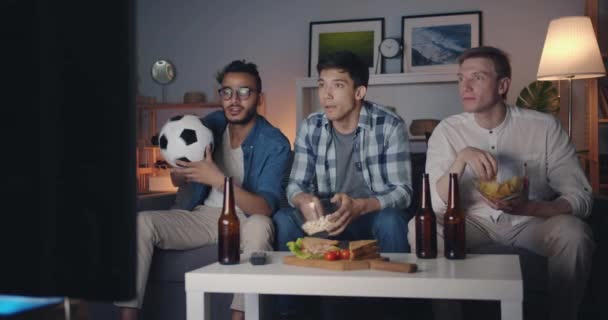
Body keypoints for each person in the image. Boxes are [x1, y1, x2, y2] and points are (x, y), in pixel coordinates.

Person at [408, 46, 594, 320]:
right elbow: (437, 204)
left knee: (575, 234)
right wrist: (461, 159)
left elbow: (581, 197)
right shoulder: (447, 131)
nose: (465, 86)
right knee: (417, 228)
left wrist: (531, 208)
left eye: (478, 77)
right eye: (461, 78)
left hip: (531, 222)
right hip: (471, 222)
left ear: (503, 85)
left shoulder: (544, 127)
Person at [115, 60, 291, 320]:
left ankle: (238, 317)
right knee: (141, 222)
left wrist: (220, 180)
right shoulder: (211, 124)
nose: (234, 100)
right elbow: (180, 179)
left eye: (244, 92)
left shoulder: (274, 143)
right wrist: (180, 173)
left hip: (245, 218)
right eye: (227, 92)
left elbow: (265, 207)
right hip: (203, 217)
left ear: (258, 97)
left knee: (261, 225)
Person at [274, 51, 413, 319]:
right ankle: (289, 312)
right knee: (283, 219)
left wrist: (362, 206)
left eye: (337, 85)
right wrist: (303, 198)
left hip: (370, 215)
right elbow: (295, 184)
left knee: (393, 221)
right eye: (321, 84)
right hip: (326, 218)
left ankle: (398, 309)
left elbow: (403, 192)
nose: (326, 95)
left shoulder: (389, 125)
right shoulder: (311, 126)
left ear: (359, 91)